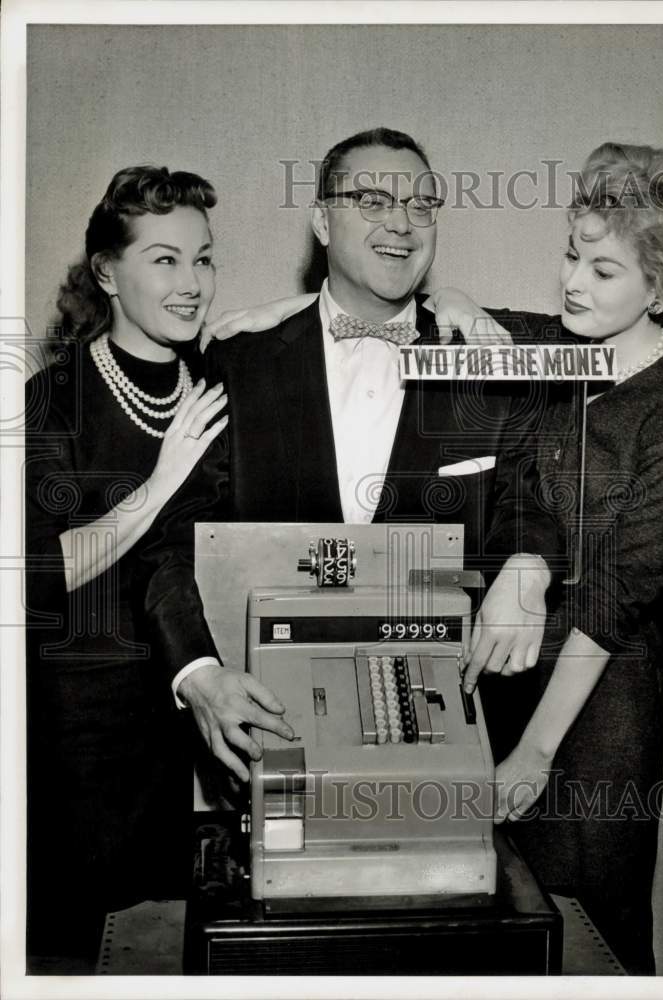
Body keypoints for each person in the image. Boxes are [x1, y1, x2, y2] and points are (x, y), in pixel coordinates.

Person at [204, 141, 663, 974]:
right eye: (570, 256)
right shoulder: (534, 346)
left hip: (588, 709)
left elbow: (610, 606)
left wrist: (533, 754)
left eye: (602, 270)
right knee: (472, 935)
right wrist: (279, 316)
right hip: (484, 682)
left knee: (582, 926)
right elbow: (421, 308)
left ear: (661, 289)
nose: (572, 285)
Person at [140, 127, 557, 784]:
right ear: (321, 221)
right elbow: (168, 540)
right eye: (373, 201)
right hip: (265, 729)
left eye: (422, 205)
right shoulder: (238, 359)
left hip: (434, 737)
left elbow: (527, 493)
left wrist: (530, 564)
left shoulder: (485, 355)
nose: (403, 224)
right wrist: (197, 674)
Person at [24, 165, 287, 968]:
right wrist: (161, 482)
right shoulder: (51, 401)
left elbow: (180, 564)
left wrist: (444, 308)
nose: (192, 283)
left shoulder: (215, 384)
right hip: (80, 741)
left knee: (174, 954)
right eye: (165, 259)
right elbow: (43, 576)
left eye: (203, 258)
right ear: (107, 270)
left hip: (194, 732)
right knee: (74, 952)